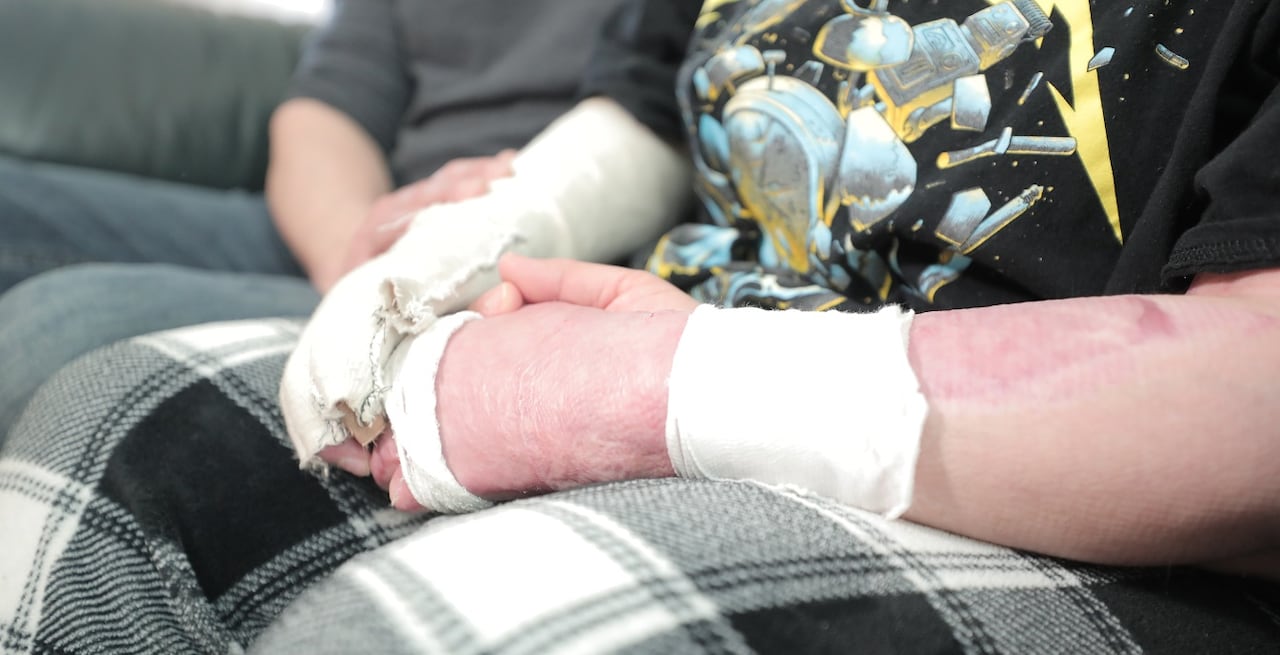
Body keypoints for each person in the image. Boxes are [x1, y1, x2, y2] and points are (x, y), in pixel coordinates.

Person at [287, 0, 1280, 576]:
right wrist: (441, 259)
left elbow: (1257, 396)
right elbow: (641, 123)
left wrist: (634, 394)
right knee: (138, 447)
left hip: (1002, 521)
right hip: (604, 360)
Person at [0, 0, 629, 439]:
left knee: (60, 322)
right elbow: (326, 109)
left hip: (486, 255)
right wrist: (349, 248)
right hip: (357, 228)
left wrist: (408, 265)